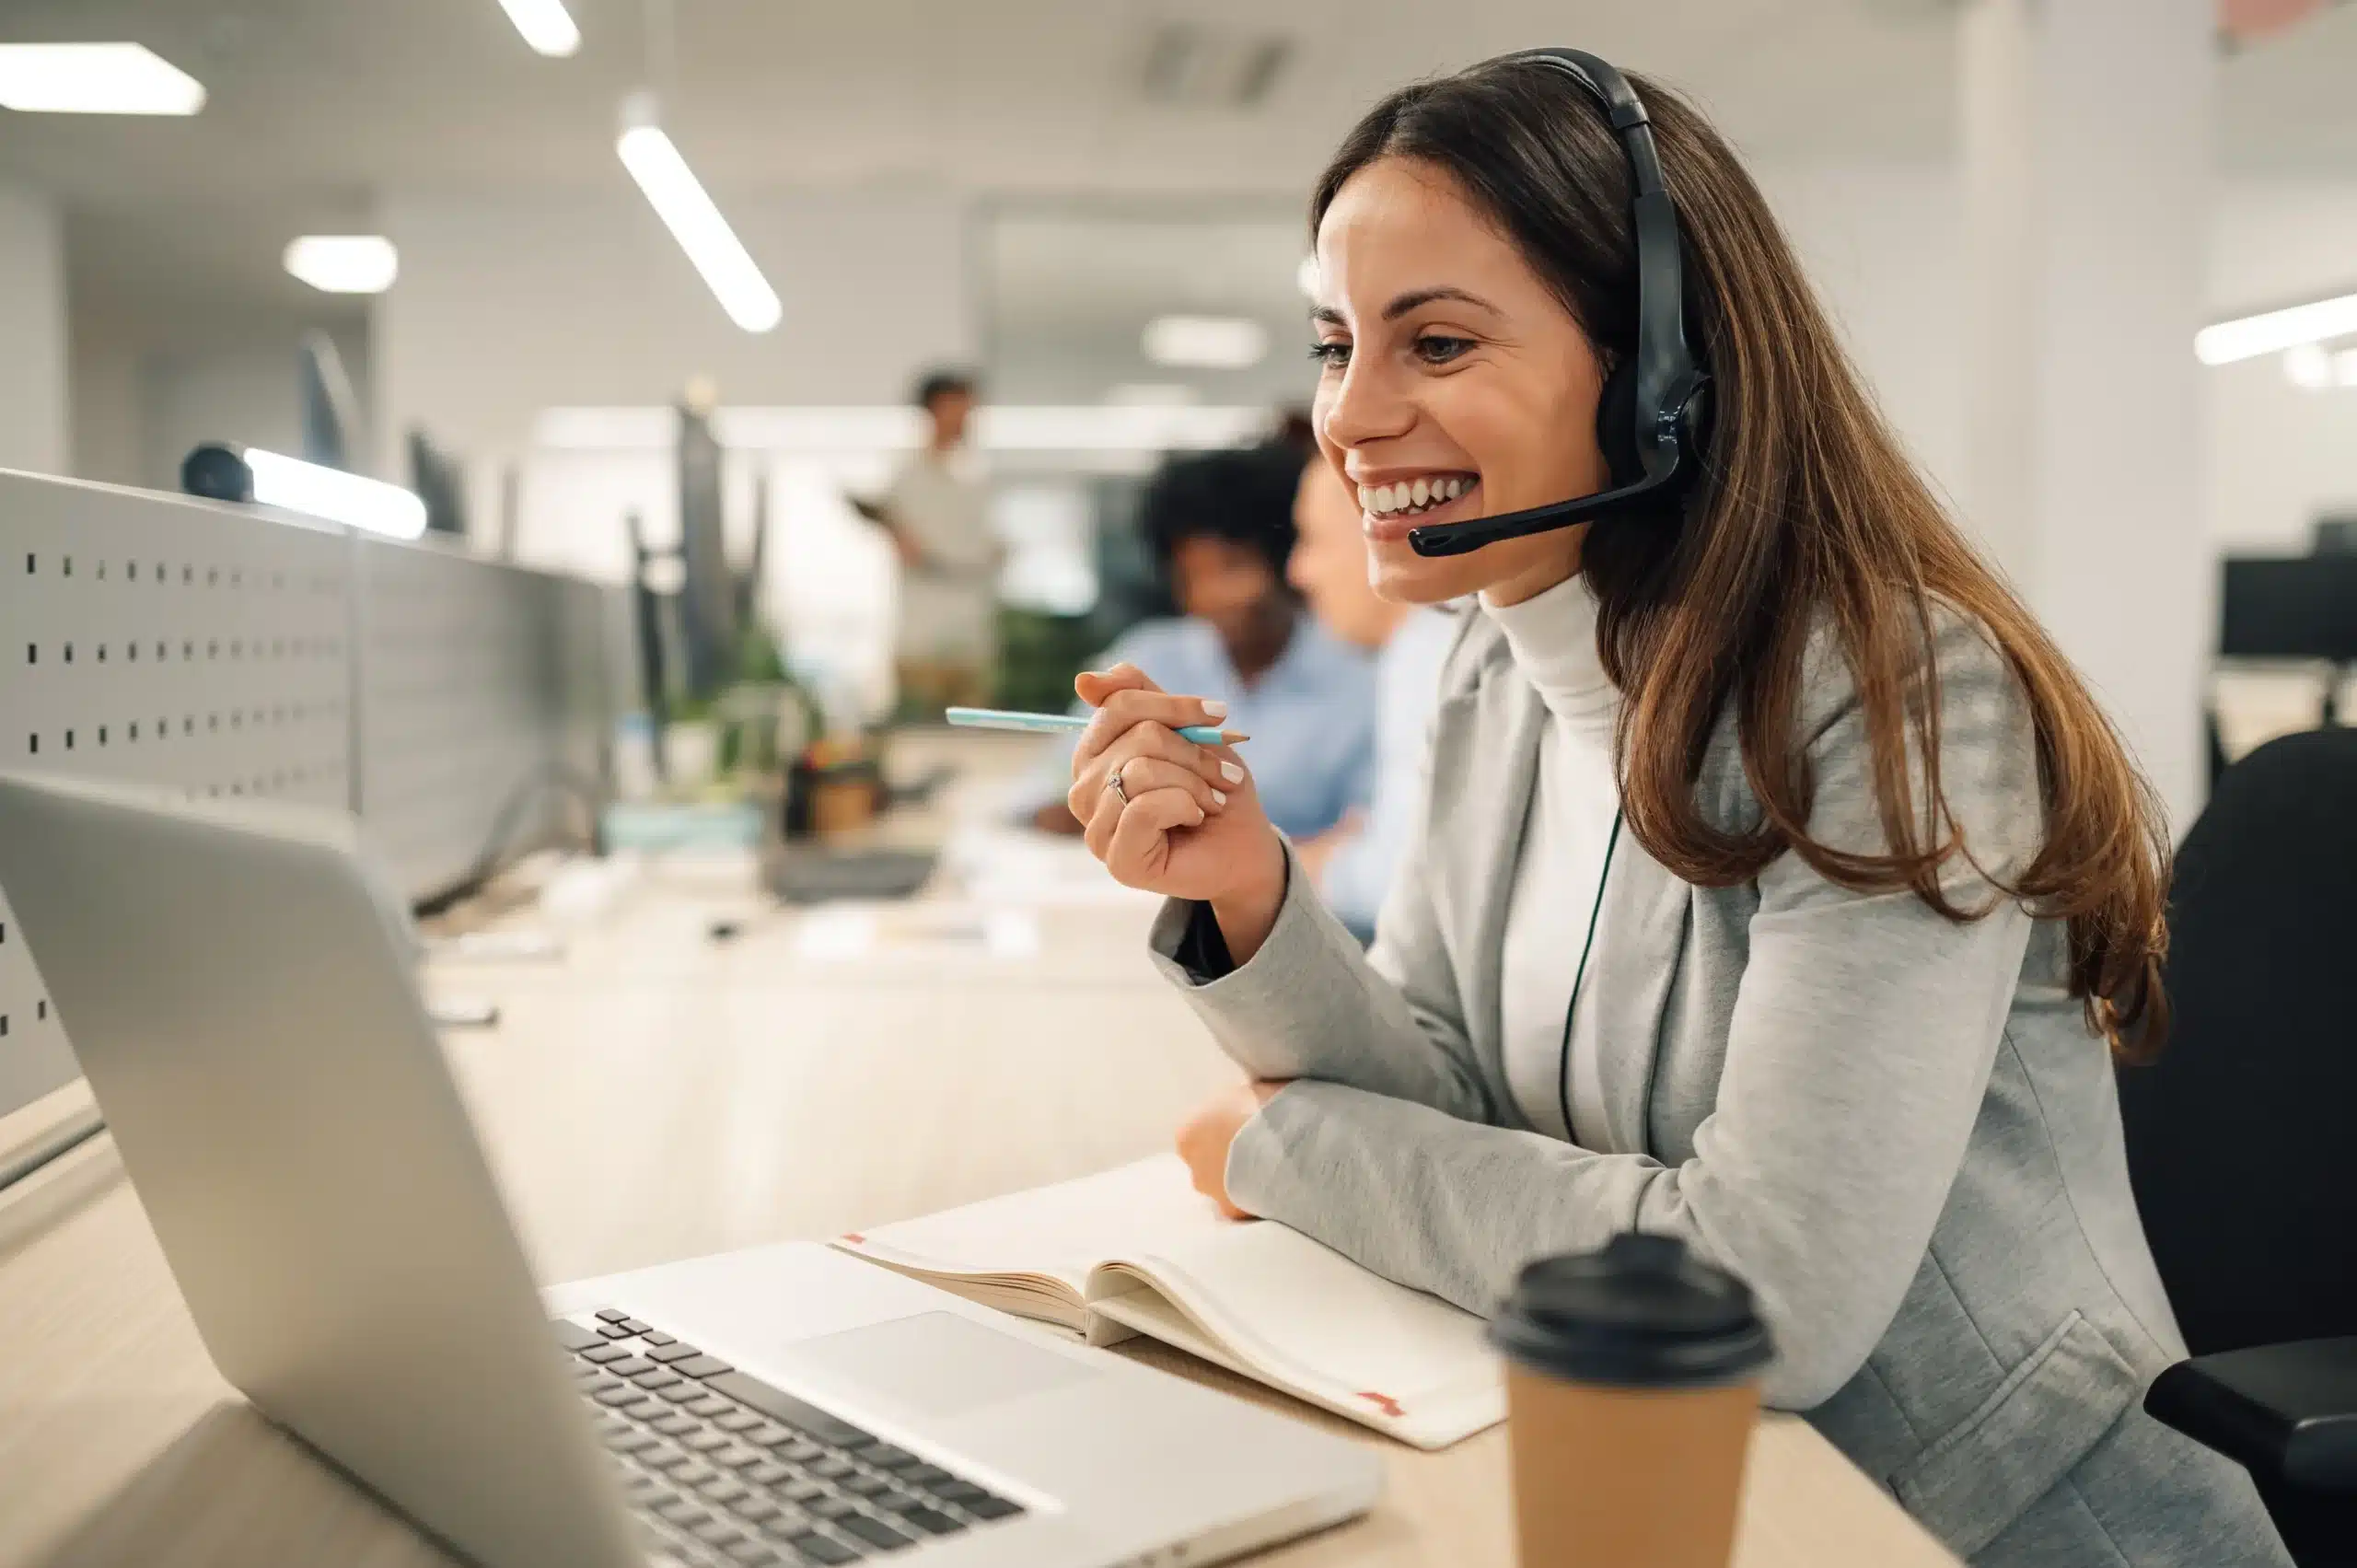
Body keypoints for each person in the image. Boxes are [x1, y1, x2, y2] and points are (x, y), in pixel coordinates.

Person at [1060, 52, 2287, 1568]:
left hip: (1976, 1520)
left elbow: (1760, 1297)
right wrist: (1251, 896)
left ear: (1661, 373)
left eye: (1434, 343)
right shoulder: (1484, 675)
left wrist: (1279, 1148)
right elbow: (1445, 1090)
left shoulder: (1897, 692)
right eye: (1335, 343)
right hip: (1669, 1478)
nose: (1350, 416)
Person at [1018, 443, 1375, 843]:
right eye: (1191, 577)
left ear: (1283, 563)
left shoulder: (1357, 676)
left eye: (1232, 568)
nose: (1212, 596)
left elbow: (1372, 837)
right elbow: (1045, 794)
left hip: (1296, 899)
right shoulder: (1146, 659)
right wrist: (1098, 793)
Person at [1284, 456, 1456, 942]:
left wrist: (1299, 869)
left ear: (1384, 532)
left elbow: (1402, 885)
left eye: (1312, 539)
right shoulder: (1423, 646)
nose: (1299, 572)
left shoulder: (1433, 650)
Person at [874, 370, 1001, 715]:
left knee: (974, 727)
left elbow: (987, 544)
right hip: (922, 633)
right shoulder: (906, 475)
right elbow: (895, 531)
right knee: (922, 722)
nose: (967, 417)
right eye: (960, 406)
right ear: (935, 408)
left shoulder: (975, 477)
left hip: (970, 629)